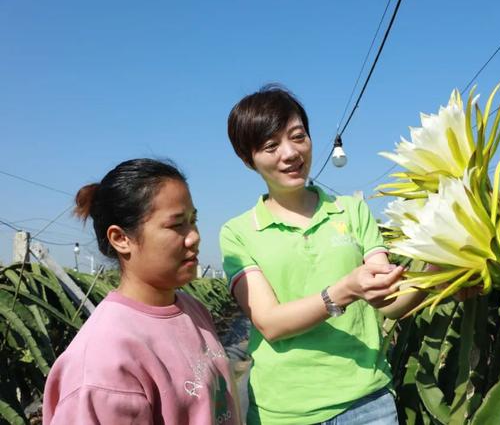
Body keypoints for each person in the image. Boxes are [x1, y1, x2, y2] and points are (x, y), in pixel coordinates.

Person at [220, 85, 427, 424]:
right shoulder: (239, 232)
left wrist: (437, 271)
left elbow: (388, 301)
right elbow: (270, 324)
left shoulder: (352, 211)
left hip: (367, 403)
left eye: (298, 136)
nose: (290, 153)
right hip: (285, 412)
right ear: (248, 160)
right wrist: (343, 291)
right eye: (271, 146)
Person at [43, 159, 240, 424]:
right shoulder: (102, 365)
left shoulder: (192, 309)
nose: (194, 236)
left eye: (193, 220)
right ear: (121, 239)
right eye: (176, 224)